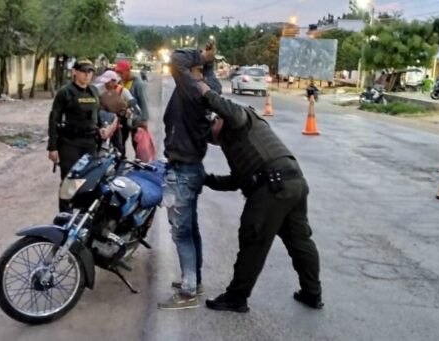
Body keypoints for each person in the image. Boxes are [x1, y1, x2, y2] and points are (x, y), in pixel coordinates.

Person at [192, 75, 323, 313]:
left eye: (211, 130)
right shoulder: (236, 139)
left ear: (217, 119)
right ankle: (312, 293)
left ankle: (237, 296)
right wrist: (206, 180)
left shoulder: (240, 118)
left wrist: (205, 92)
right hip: (293, 182)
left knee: (253, 240)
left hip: (272, 187)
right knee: (300, 241)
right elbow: (237, 180)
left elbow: (230, 111)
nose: (214, 140)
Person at [157, 42, 222, 310]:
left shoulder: (193, 89)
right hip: (192, 168)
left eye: (192, 68)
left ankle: (187, 293)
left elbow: (176, 59)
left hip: (183, 170)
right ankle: (194, 281)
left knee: (181, 233)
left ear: (196, 71)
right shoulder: (210, 88)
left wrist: (201, 56)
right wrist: (206, 62)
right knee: (191, 229)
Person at [47, 59, 116, 212]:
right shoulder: (65, 92)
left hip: (90, 142)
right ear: (75, 72)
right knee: (69, 181)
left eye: (89, 72)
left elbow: (96, 114)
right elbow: (54, 119)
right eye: (83, 71)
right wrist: (52, 147)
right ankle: (65, 216)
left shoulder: (93, 91)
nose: (86, 75)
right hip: (69, 143)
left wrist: (102, 128)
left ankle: (83, 216)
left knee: (88, 181)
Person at [94, 70, 142, 155]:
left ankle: (120, 162)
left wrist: (129, 107)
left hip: (119, 123)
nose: (106, 84)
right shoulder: (97, 88)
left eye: (108, 81)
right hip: (102, 121)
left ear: (114, 81)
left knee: (119, 145)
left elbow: (133, 102)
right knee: (98, 143)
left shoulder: (123, 91)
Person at [114, 60, 150, 153]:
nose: (119, 75)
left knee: (137, 144)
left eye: (121, 72)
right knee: (120, 143)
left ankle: (138, 165)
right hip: (123, 119)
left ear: (128, 71)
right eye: (118, 73)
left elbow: (144, 102)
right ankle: (121, 163)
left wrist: (144, 121)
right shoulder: (120, 83)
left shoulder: (138, 84)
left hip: (135, 120)